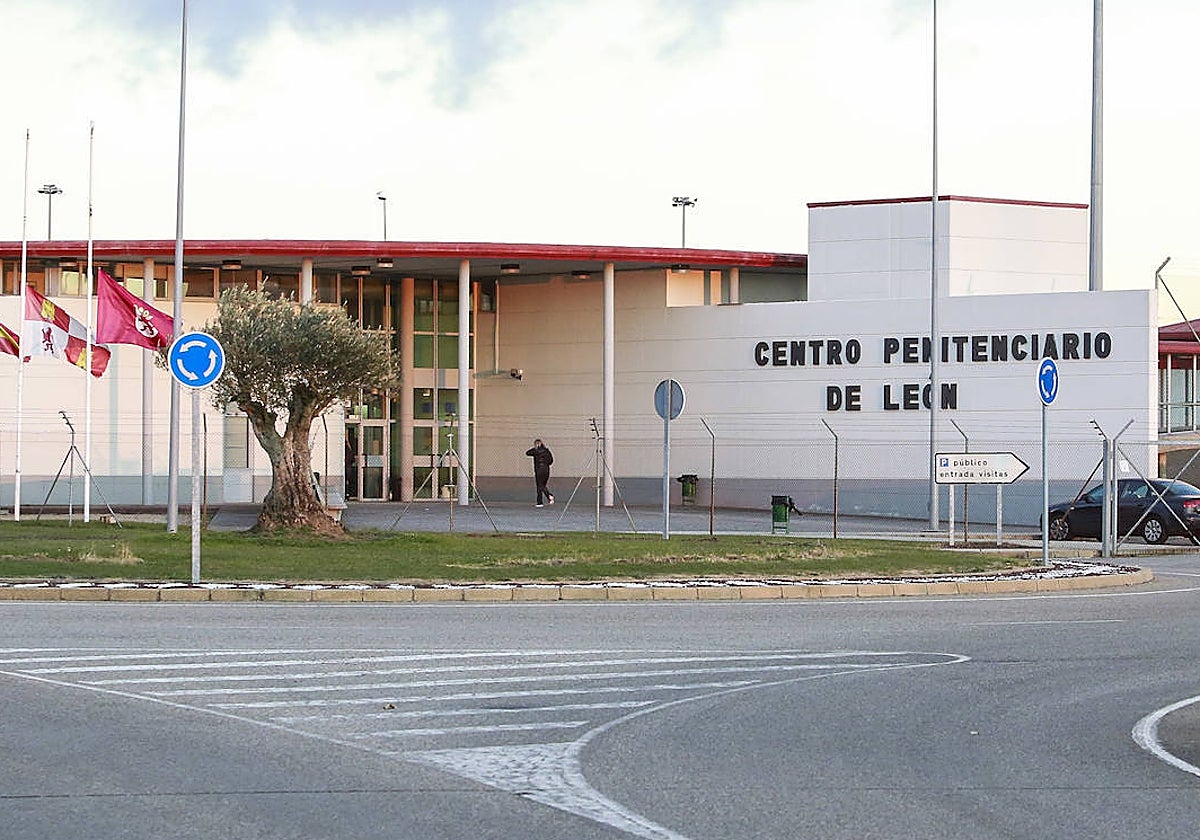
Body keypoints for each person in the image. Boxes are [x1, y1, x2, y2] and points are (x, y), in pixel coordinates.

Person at [525, 439, 554, 507]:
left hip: (539, 470)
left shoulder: (535, 451)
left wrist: (535, 449)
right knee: (542, 485)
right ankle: (541, 501)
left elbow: (527, 453)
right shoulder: (547, 451)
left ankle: (548, 496)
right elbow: (551, 461)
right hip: (546, 469)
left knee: (540, 485)